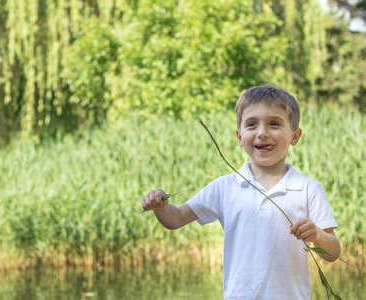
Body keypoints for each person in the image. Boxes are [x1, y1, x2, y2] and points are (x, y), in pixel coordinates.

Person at [141, 85, 341, 300]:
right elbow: (176, 218)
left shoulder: (308, 189)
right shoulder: (225, 187)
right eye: (251, 124)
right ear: (239, 136)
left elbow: (333, 252)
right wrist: (160, 207)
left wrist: (318, 235)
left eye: (274, 124)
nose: (262, 133)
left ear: (295, 135)